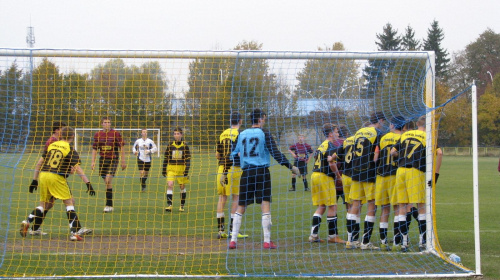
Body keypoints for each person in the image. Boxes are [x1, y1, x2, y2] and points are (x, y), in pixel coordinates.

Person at [228, 109, 300, 249]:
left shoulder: (241, 134)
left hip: (246, 173)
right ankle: (267, 241)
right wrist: (290, 167)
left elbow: (233, 153)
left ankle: (233, 240)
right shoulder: (264, 133)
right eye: (264, 118)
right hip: (261, 172)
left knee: (241, 205)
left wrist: (242, 157)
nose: (264, 121)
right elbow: (275, 153)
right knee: (265, 204)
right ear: (260, 119)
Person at [20, 127, 95, 241]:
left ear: (61, 135)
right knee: (69, 203)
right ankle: (74, 233)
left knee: (44, 205)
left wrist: (34, 180)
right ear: (72, 136)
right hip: (56, 177)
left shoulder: (52, 145)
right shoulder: (69, 148)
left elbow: (39, 163)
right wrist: (88, 183)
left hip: (44, 175)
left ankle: (27, 221)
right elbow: (77, 168)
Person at [391, 115, 443, 252]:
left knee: (402, 206)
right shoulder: (428, 136)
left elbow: (392, 152)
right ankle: (422, 242)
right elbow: (440, 153)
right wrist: (435, 174)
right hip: (415, 171)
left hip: (400, 171)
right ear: (428, 126)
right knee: (421, 206)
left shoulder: (405, 134)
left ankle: (404, 242)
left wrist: (401, 155)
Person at [346, 112, 385, 250]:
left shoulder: (359, 132)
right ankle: (365, 242)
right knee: (371, 205)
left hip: (355, 172)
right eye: (383, 121)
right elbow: (376, 154)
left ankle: (351, 240)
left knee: (355, 204)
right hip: (369, 172)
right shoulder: (378, 132)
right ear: (380, 120)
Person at [308, 123, 345, 244]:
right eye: (336, 131)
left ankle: (313, 235)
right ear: (330, 134)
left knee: (322, 205)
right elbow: (331, 163)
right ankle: (332, 236)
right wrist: (338, 177)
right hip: (324, 177)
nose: (338, 134)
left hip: (315, 175)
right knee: (332, 206)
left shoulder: (321, 145)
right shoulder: (331, 145)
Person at [374, 116, 407, 251]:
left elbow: (376, 157)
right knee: (398, 209)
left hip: (381, 176)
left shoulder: (383, 137)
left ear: (392, 125)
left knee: (384, 209)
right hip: (395, 175)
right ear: (403, 126)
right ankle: (396, 243)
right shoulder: (403, 138)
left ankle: (383, 242)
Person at [215, 112, 248, 239]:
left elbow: (217, 155)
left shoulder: (223, 134)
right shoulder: (240, 134)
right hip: (234, 168)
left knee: (222, 198)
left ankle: (220, 230)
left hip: (221, 168)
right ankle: (233, 231)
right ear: (240, 121)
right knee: (236, 198)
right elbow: (240, 153)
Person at [91, 117, 126, 213]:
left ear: (111, 124)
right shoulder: (98, 134)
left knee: (108, 180)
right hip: (102, 160)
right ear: (102, 124)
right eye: (105, 122)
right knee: (107, 182)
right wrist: (93, 162)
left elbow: (122, 147)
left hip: (113, 160)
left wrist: (123, 161)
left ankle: (108, 205)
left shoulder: (116, 134)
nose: (107, 124)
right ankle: (109, 204)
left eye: (109, 122)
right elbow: (95, 149)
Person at [162, 127, 191, 212]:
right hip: (171, 168)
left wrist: (187, 169)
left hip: (181, 168)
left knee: (182, 186)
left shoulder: (185, 146)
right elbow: (166, 158)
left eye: (178, 134)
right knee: (170, 184)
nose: (176, 135)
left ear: (181, 135)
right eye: (175, 134)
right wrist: (164, 168)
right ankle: (169, 205)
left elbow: (188, 159)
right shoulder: (170, 145)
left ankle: (182, 206)